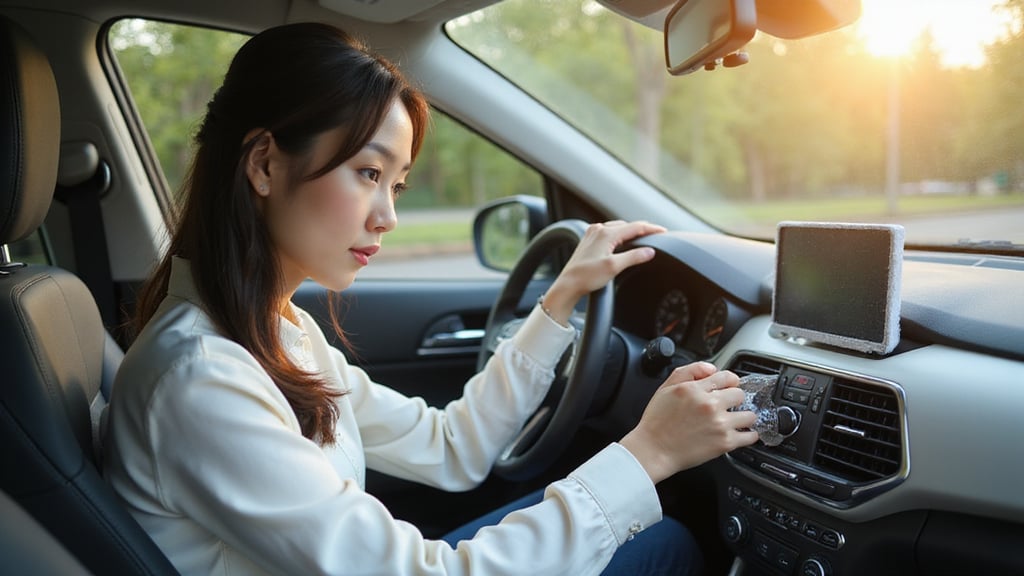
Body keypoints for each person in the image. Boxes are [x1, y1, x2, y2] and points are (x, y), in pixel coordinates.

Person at [102, 22, 759, 576]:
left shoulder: (274, 330)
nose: (387, 216)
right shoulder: (203, 379)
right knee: (667, 545)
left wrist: (559, 301)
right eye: (368, 173)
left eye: (397, 185)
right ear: (265, 164)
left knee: (647, 530)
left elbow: (449, 447)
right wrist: (651, 454)